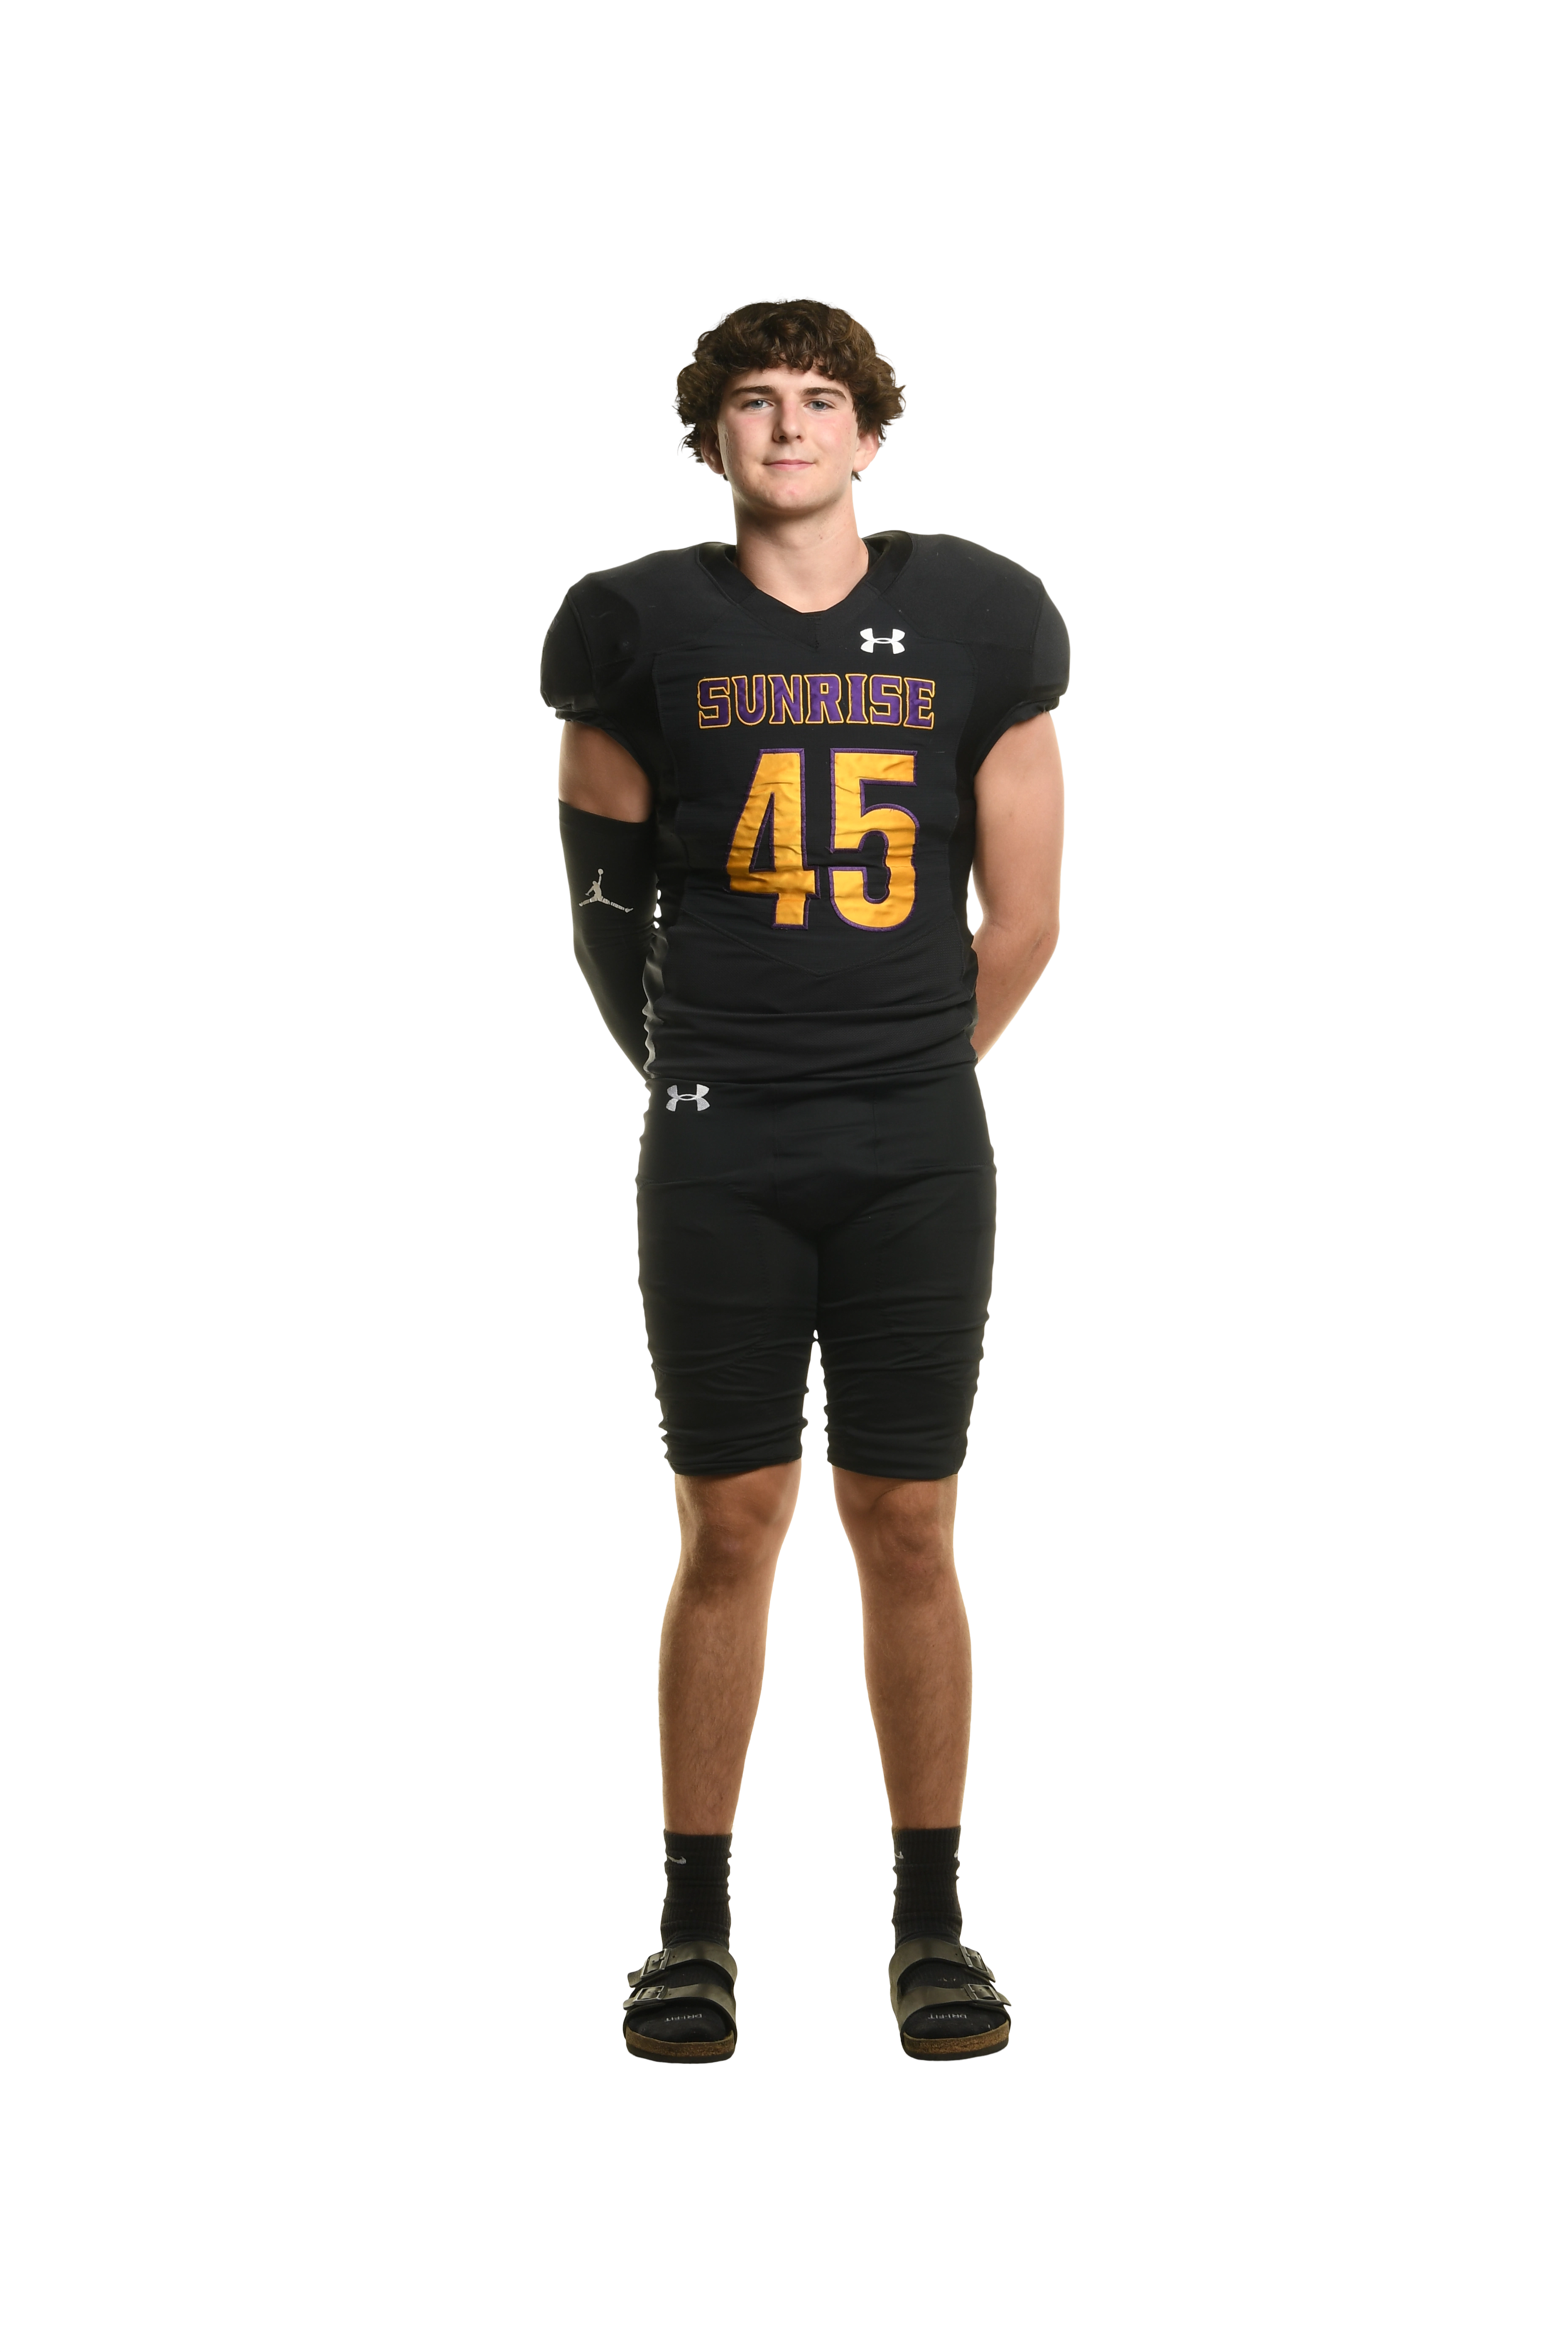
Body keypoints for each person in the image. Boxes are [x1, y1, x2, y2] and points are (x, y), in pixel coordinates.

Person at [542, 293, 1068, 2062]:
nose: (789, 424)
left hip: (916, 1147)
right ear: (710, 434)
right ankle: (693, 1927)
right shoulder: (636, 627)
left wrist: (894, 1070)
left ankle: (930, 1926)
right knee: (731, 1523)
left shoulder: (980, 616)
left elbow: (1027, 918)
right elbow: (604, 919)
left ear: (871, 430)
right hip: (719, 1148)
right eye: (754, 399)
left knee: (910, 1520)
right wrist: (723, 1075)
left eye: (822, 397)